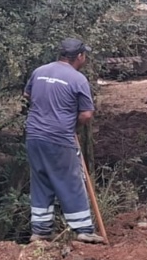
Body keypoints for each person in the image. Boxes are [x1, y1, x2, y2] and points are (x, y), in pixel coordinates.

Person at [23, 38, 104, 244]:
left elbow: (27, 94)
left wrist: (47, 109)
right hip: (59, 137)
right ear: (80, 56)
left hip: (34, 136)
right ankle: (84, 230)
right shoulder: (78, 79)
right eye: (85, 55)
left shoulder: (39, 71)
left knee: (41, 180)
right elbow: (86, 114)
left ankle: (41, 231)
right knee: (70, 181)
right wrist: (71, 125)